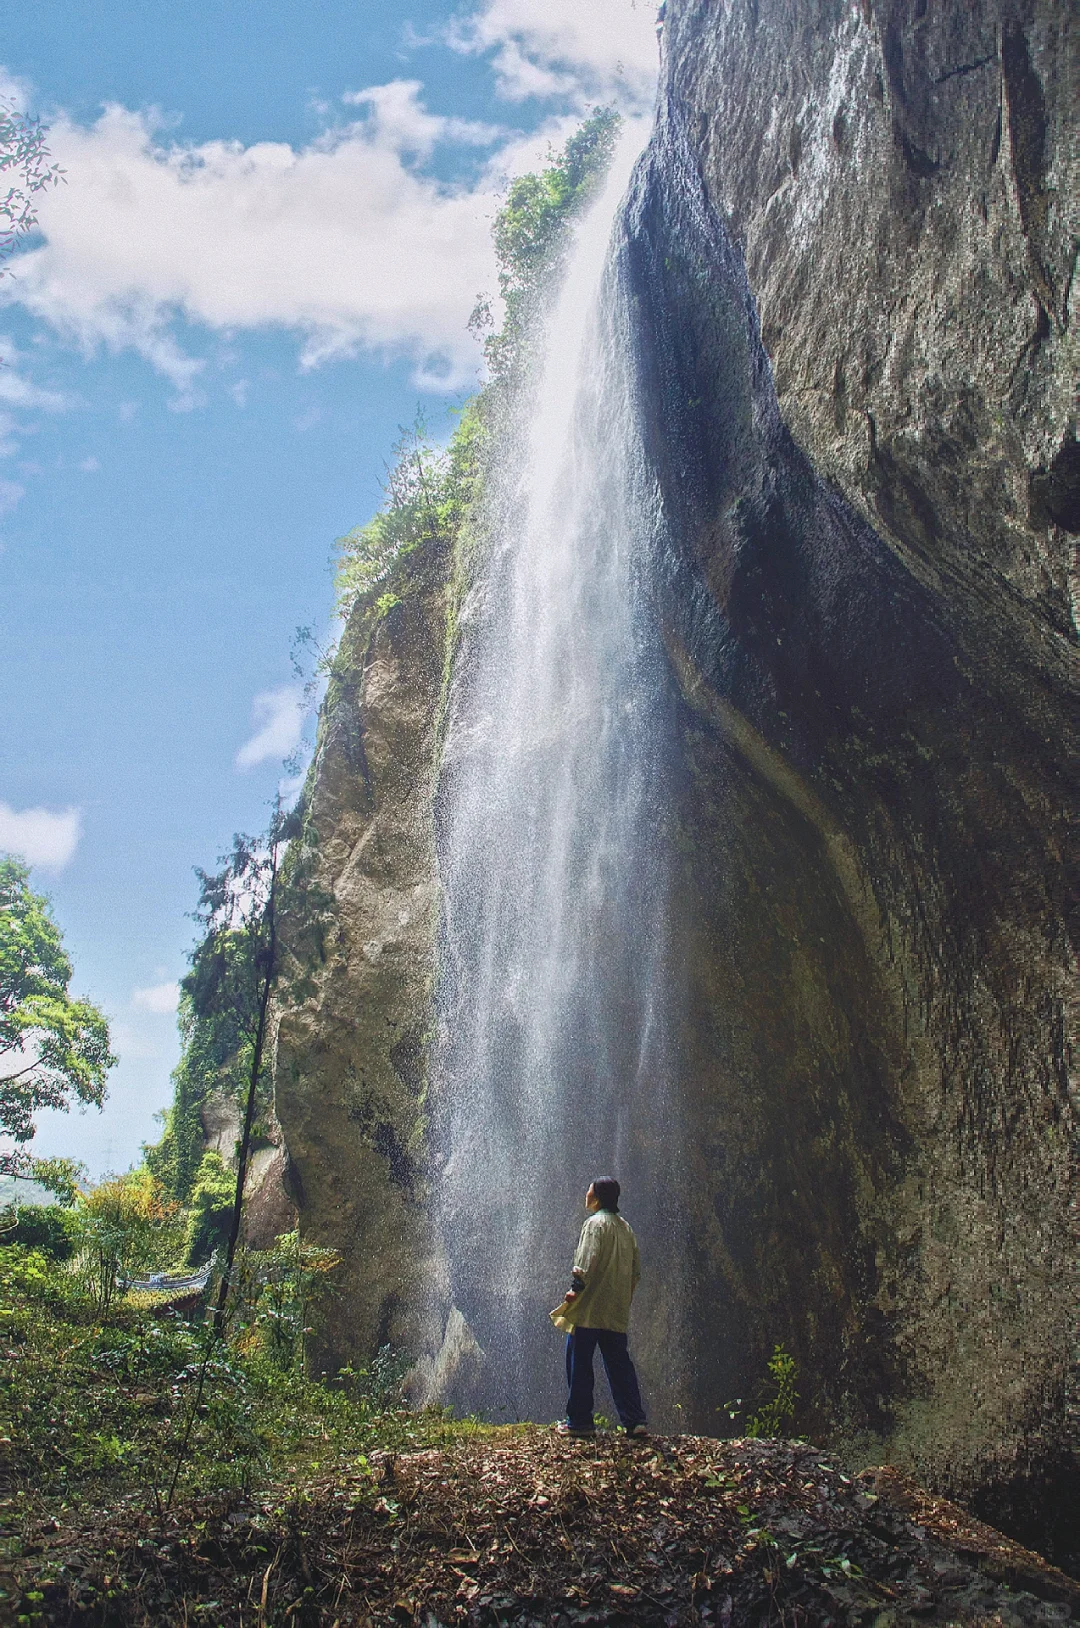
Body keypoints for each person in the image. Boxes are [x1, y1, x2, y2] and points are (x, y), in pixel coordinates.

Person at [550, 1177, 647, 1437]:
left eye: (589, 1189)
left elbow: (586, 1260)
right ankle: (635, 1421)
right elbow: (636, 1271)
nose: (586, 1193)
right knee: (619, 1365)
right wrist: (623, 1298)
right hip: (615, 1309)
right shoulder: (626, 1228)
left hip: (590, 1307)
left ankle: (579, 1422)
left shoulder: (594, 1224)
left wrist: (575, 1288)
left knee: (579, 1361)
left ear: (598, 1196)